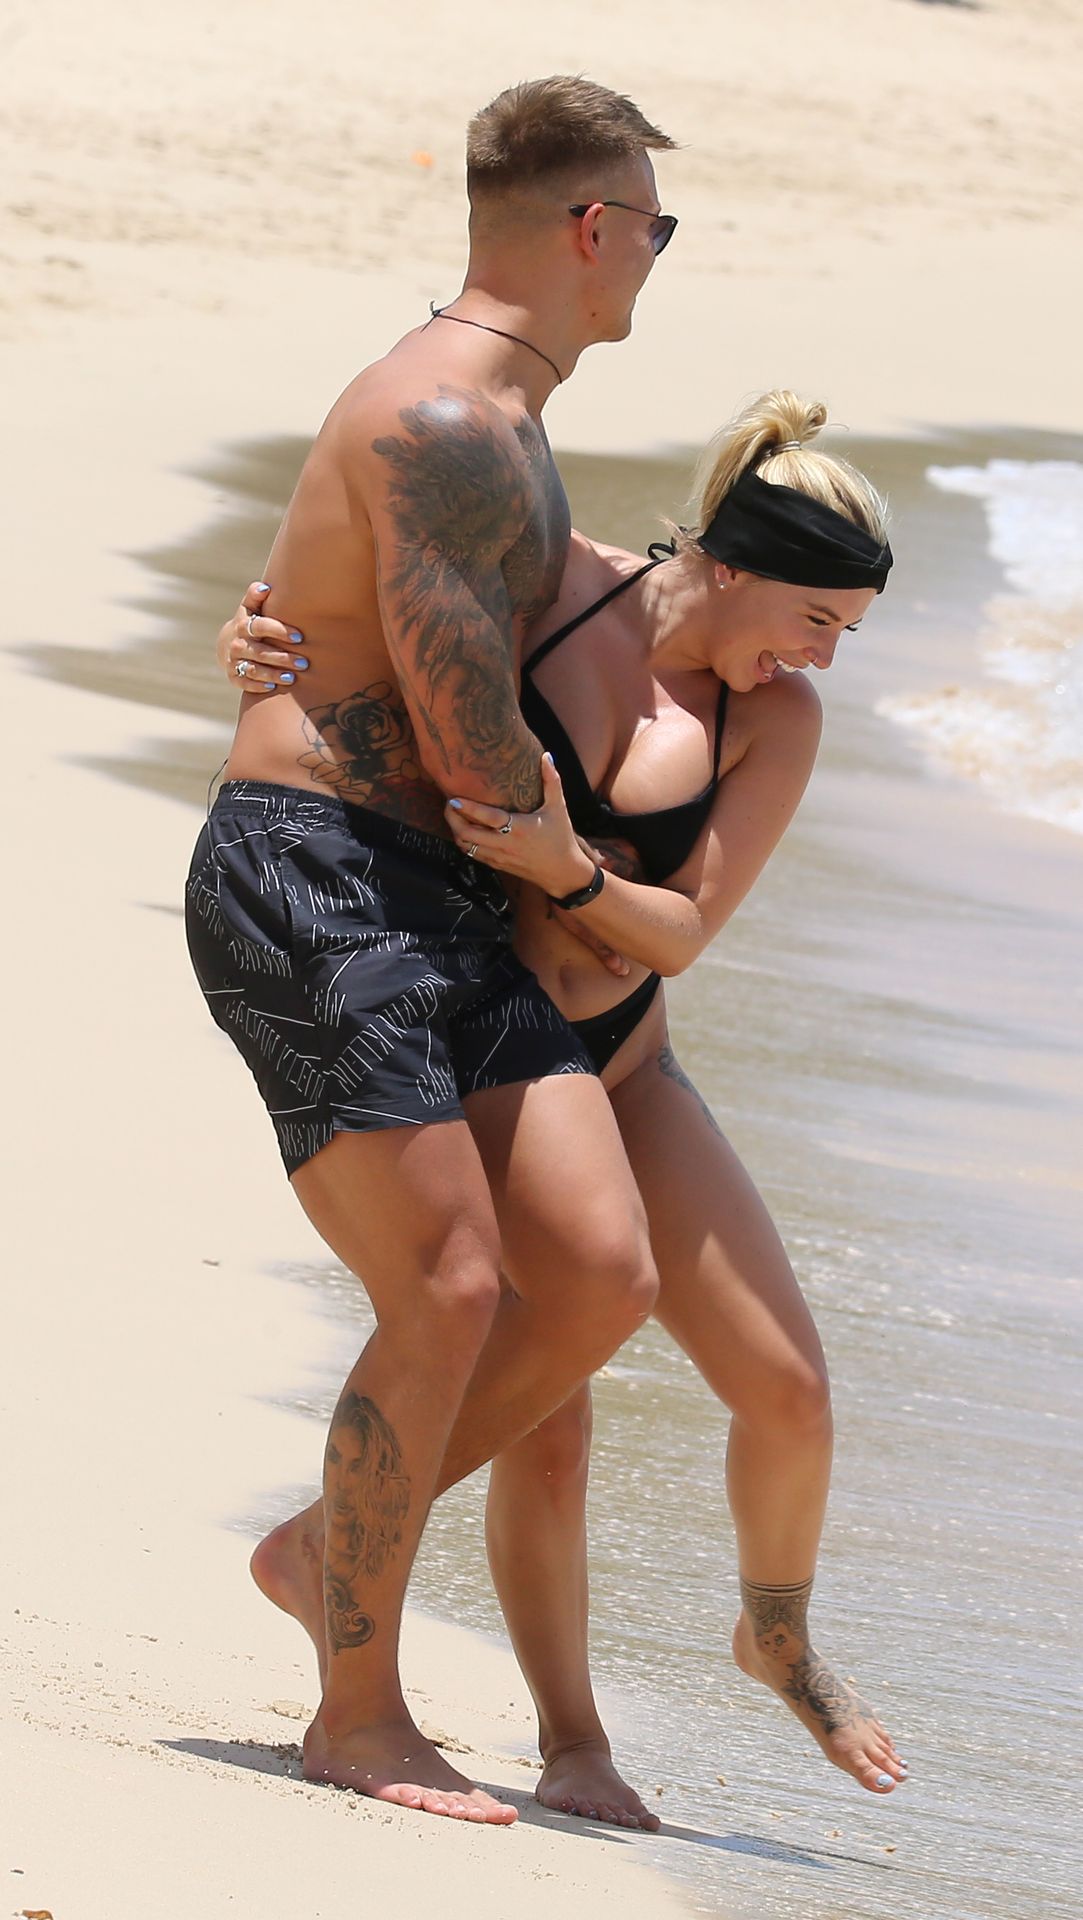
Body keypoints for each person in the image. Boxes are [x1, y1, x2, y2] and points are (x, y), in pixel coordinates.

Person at [217, 391, 909, 1828]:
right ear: (731, 559)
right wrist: (260, 647)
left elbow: (680, 934)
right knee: (555, 1410)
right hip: (482, 1033)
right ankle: (574, 1741)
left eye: (847, 630)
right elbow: (369, 612)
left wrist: (567, 869)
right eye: (817, 616)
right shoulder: (548, 587)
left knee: (789, 1390)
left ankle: (776, 1637)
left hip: (628, 1059)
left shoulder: (770, 720)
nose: (824, 654)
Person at [185, 74, 682, 1825]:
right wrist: (610, 883)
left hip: (435, 891)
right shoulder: (454, 418)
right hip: (314, 871)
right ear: (591, 228)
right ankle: (358, 1709)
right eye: (657, 229)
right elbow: (475, 741)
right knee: (456, 1286)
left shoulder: (510, 424)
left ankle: (325, 1544)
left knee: (597, 1270)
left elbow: (473, 634)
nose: (657, 261)